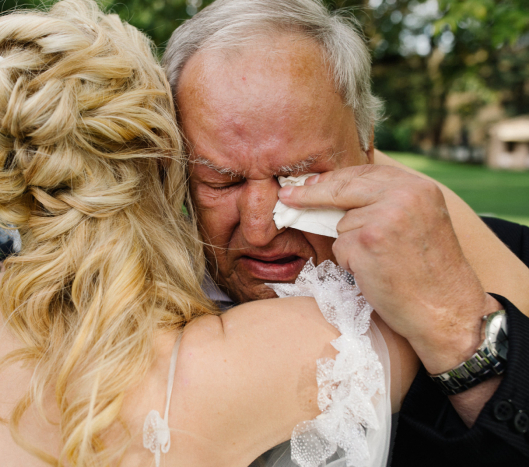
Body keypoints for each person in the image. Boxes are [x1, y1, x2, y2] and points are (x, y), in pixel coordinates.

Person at [162, 0, 529, 465]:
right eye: (223, 181)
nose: (259, 230)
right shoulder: (118, 310)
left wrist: (456, 325)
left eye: (296, 178)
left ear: (367, 146)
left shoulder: (507, 257)